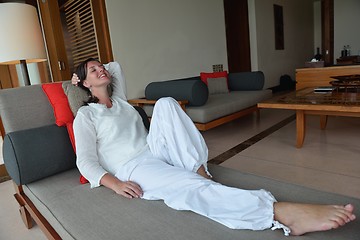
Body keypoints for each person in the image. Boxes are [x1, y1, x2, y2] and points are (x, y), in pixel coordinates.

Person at [72, 58, 356, 236]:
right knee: (189, 187)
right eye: (92, 71)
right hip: (133, 166)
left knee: (166, 104)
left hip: (153, 150)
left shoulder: (120, 100)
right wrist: (116, 184)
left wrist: (94, 70)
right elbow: (85, 161)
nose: (101, 70)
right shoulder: (86, 115)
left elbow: (116, 65)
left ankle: (200, 171)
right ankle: (279, 213)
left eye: (100, 66)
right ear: (84, 83)